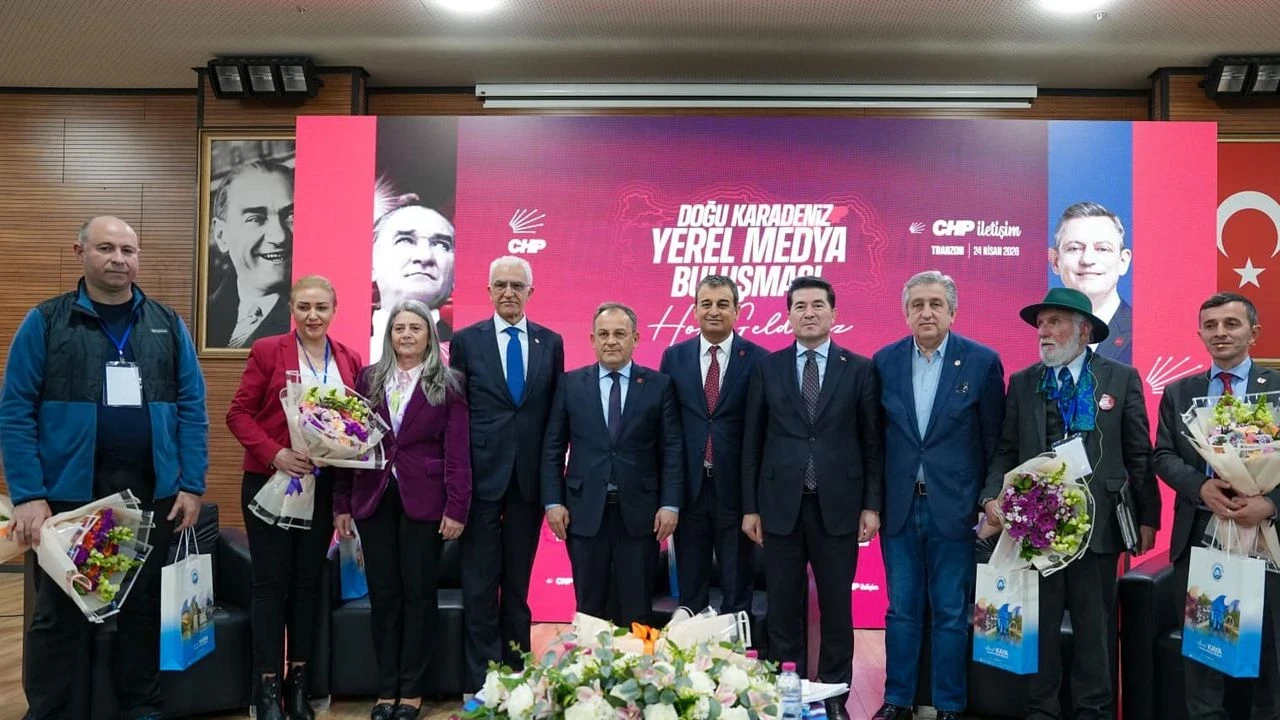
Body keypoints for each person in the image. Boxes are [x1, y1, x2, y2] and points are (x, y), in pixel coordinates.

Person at [0, 216, 206, 720]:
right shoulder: (47, 321)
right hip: (69, 495)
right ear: (80, 252)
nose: (119, 259)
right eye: (106, 248)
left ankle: (141, 707)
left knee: (141, 609)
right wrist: (27, 494)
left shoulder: (166, 323)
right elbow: (15, 410)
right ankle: (49, 711)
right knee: (59, 613)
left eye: (128, 250)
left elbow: (192, 408)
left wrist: (191, 484)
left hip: (151, 491)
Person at [981, 286, 1160, 720]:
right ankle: (1041, 711)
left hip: (1098, 529)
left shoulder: (1120, 378)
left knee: (1095, 631)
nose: (1044, 331)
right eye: (1041, 324)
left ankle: (1093, 711)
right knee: (1038, 629)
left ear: (1084, 331)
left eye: (1055, 322)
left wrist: (1148, 517)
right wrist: (990, 497)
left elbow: (1139, 453)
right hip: (1035, 528)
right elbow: (1006, 449)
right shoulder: (1023, 382)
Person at [741, 275, 884, 720]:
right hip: (779, 506)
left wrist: (871, 504)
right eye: (800, 306)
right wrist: (750, 507)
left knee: (838, 608)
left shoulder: (859, 368)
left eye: (818, 305)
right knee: (783, 607)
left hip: (839, 507)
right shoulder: (767, 367)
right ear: (788, 315)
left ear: (833, 313)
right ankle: (789, 692)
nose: (809, 313)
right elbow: (752, 442)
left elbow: (872, 443)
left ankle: (835, 695)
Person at [226, 275, 363, 720]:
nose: (312, 315)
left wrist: (344, 500)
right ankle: (266, 686)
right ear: (291, 309)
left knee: (307, 586)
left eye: (321, 307)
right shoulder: (268, 351)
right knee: (270, 585)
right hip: (270, 484)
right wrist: (276, 453)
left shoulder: (349, 359)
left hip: (322, 489)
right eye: (304, 306)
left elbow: (353, 430)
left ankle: (298, 683)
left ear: (334, 309)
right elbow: (238, 414)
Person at [871, 271, 1005, 720]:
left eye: (935, 304)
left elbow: (994, 442)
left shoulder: (982, 362)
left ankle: (949, 704)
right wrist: (872, 504)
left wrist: (988, 500)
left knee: (950, 611)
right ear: (905, 313)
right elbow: (874, 442)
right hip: (899, 508)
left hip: (955, 509)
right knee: (901, 611)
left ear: (953, 311)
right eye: (917, 305)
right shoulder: (884, 362)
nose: (926, 312)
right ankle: (897, 699)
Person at [334, 299, 471, 720]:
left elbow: (457, 451)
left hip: (425, 501)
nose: (407, 335)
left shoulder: (449, 382)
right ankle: (386, 688)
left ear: (430, 335)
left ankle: (411, 691)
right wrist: (342, 503)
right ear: (389, 335)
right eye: (399, 328)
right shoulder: (368, 378)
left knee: (419, 595)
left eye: (415, 327)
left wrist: (457, 507)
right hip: (373, 498)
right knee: (384, 595)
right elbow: (350, 444)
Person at [1153, 292, 1280, 718]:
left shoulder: (1277, 388)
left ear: (1253, 333)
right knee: (1206, 655)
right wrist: (1200, 487)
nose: (1220, 333)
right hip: (1200, 538)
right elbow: (1163, 454)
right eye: (1210, 326)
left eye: (1231, 324)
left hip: (1268, 539)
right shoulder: (1179, 391)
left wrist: (1271, 504)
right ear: (1200, 334)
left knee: (1270, 657)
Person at [450, 256, 564, 693]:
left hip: (528, 480)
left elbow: (554, 418)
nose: (509, 292)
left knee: (518, 582)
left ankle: (516, 673)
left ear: (531, 292)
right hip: (481, 478)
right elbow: (457, 414)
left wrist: (553, 483)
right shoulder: (467, 341)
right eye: (501, 284)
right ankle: (481, 679)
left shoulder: (550, 343)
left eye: (517, 285)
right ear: (488, 291)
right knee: (480, 582)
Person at [541, 302, 683, 627]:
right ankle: (590, 662)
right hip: (583, 512)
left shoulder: (659, 385)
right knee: (589, 607)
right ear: (592, 340)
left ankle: (636, 661)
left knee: (637, 608)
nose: (611, 341)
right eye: (603, 334)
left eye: (620, 333)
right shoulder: (569, 384)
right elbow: (552, 448)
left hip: (642, 515)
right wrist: (552, 502)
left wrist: (670, 504)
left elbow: (672, 450)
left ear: (636, 338)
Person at [658, 274, 766, 614]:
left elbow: (761, 431)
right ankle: (691, 646)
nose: (714, 311)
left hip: (736, 491)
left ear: (738, 311)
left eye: (723, 304)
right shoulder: (674, 357)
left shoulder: (759, 360)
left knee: (737, 588)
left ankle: (737, 646)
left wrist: (754, 502)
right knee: (690, 590)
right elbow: (667, 428)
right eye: (706, 304)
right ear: (694, 310)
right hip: (689, 490)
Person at [206, 159, 295, 349]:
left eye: (290, 216)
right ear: (221, 235)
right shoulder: (205, 315)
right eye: (256, 218)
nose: (279, 236)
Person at [1049, 201, 1133, 364]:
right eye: (1074, 248)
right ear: (1055, 261)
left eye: (1102, 249)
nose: (1087, 260)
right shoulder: (1031, 336)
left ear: (1123, 261)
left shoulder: (1147, 332)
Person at [370, 204, 456, 363]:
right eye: (405, 240)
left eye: (441, 245)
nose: (425, 256)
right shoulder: (341, 349)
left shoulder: (465, 352)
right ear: (371, 265)